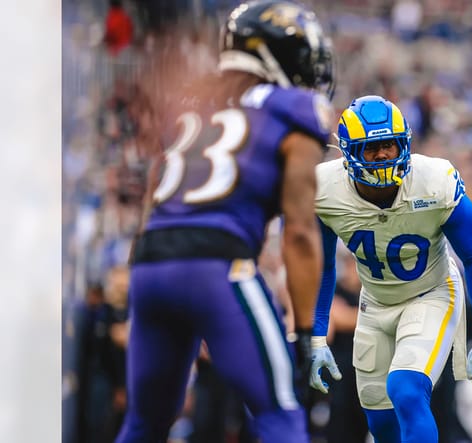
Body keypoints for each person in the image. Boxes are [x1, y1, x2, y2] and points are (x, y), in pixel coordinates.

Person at [114, 2, 335, 442]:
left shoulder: (190, 107)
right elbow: (301, 232)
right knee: (279, 411)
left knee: (145, 423)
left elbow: (155, 198)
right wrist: (309, 333)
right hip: (217, 266)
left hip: (150, 266)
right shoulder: (295, 108)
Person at [309, 95, 472, 443]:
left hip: (432, 293)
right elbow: (321, 267)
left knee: (407, 389)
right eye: (372, 148)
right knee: (380, 423)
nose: (384, 155)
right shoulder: (325, 189)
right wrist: (317, 336)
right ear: (349, 152)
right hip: (375, 302)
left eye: (390, 144)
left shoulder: (434, 180)